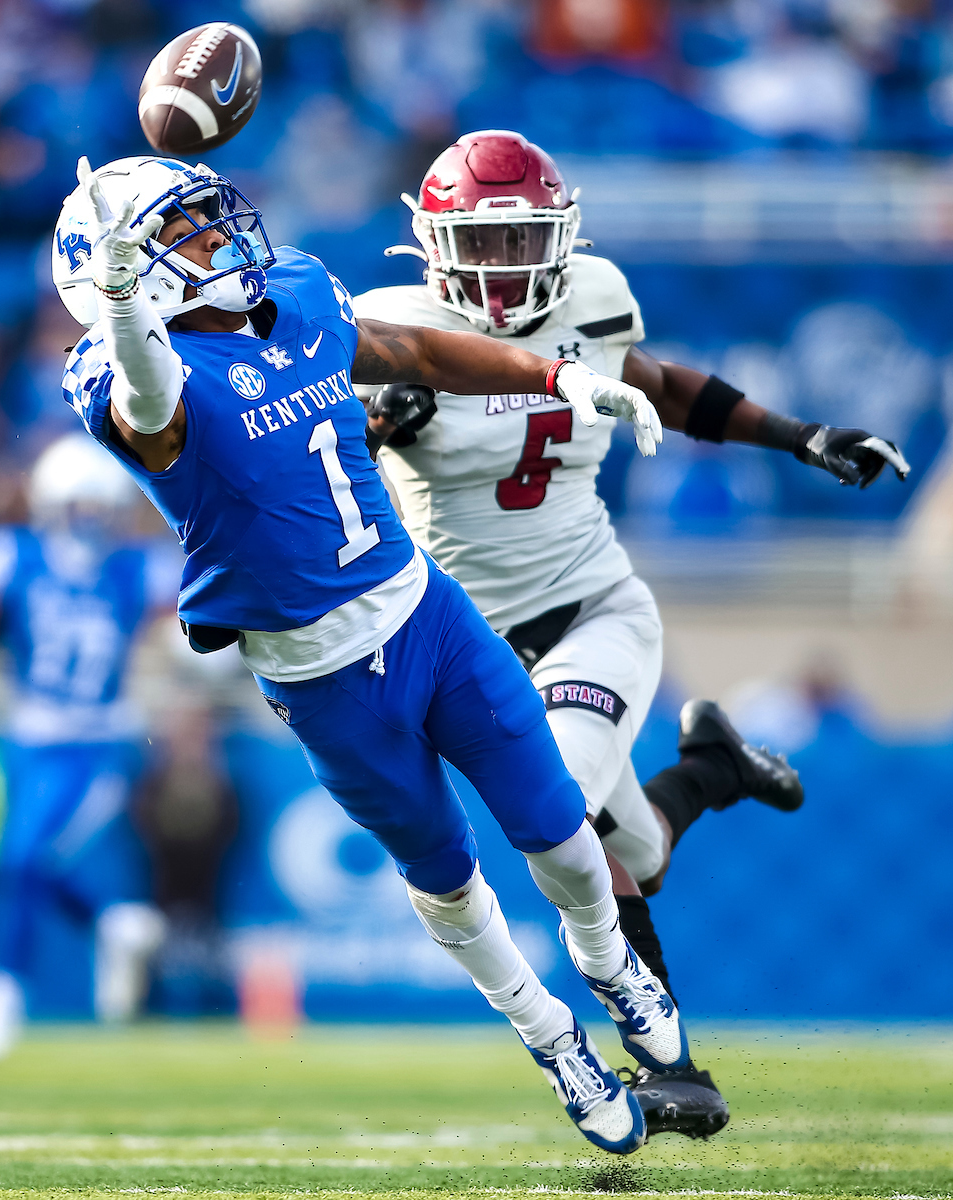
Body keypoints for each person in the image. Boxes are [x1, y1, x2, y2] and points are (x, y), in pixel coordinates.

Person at [52, 152, 709, 1154]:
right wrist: (124, 305)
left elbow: (419, 352)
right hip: (319, 676)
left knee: (558, 828)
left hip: (426, 614)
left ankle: (613, 964)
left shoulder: (300, 294)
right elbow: (152, 409)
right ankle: (550, 1035)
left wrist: (561, 373)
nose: (218, 238)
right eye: (181, 232)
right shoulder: (129, 371)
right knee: (445, 874)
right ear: (126, 273)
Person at [351, 127, 911, 1085]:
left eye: (524, 239)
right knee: (636, 851)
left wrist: (801, 435)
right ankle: (712, 768)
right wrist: (370, 426)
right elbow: (319, 477)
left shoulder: (595, 302)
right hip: (468, 646)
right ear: (434, 245)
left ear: (562, 236)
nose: (504, 265)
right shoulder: (389, 325)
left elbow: (659, 387)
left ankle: (670, 1063)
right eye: (482, 244)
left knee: (560, 816)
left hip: (591, 610)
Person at [0, 433, 172, 1059]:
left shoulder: (134, 567)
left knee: (20, 860)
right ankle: (112, 923)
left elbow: (205, 595)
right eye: (78, 506)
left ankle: (6, 994)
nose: (89, 520)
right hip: (27, 741)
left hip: (97, 742)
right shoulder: (14, 557)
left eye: (99, 507)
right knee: (27, 861)